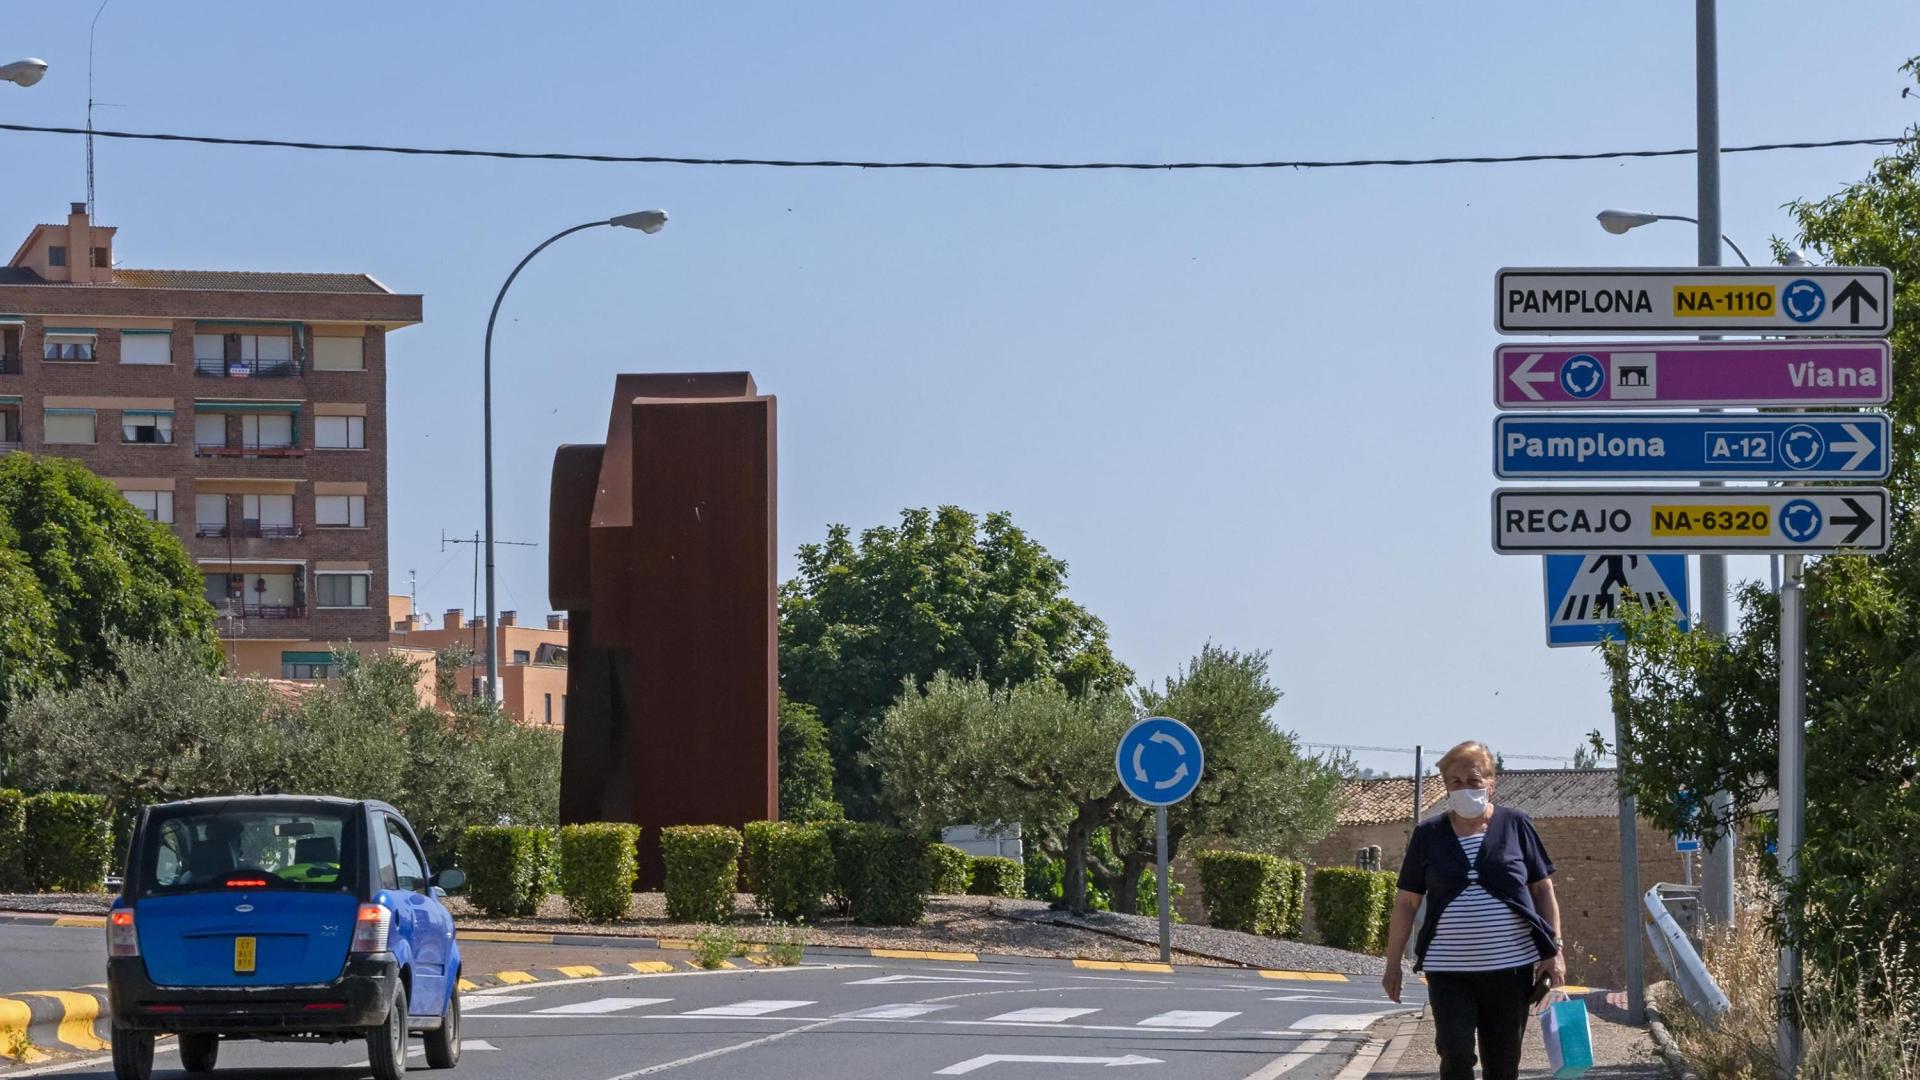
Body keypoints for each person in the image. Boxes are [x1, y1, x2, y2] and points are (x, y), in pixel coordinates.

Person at [1381, 740, 1565, 1080]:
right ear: (1446, 786)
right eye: (1455, 782)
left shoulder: (1516, 825)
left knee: (1502, 1065)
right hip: (1448, 972)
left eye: (1474, 781)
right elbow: (1407, 902)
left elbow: (1543, 889)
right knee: (1455, 1052)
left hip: (1510, 971)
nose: (1464, 788)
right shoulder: (1428, 835)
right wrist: (1393, 965)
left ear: (1491, 784)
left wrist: (1554, 951)